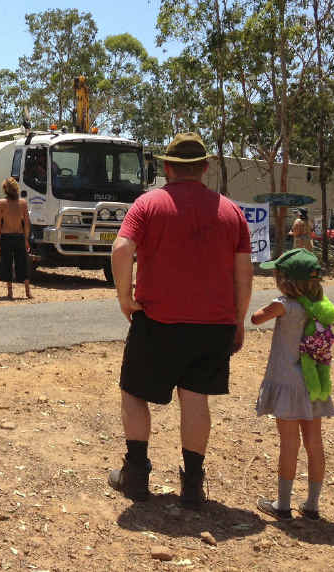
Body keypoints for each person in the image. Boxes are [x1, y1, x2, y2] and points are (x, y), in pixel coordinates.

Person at [107, 132, 253, 508]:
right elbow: (244, 273)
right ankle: (192, 486)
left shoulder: (147, 204)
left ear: (167, 167)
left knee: (134, 393)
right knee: (195, 399)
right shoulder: (231, 212)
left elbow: (121, 250)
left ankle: (136, 476)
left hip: (157, 321)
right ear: (204, 168)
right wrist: (237, 321)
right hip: (212, 326)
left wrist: (126, 298)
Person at [251, 248, 334, 521]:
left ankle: (283, 504)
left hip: (287, 383)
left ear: (285, 280)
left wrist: (278, 299)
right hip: (313, 383)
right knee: (314, 443)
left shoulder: (284, 305)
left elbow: (255, 317)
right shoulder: (320, 307)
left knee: (289, 444)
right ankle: (311, 505)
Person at [0, 177, 32, 299]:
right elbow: (26, 223)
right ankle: (28, 292)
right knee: (23, 264)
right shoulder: (23, 203)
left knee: (7, 264)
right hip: (20, 237)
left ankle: (10, 293)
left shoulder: (1, 203)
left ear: (5, 189)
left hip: (6, 237)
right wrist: (26, 239)